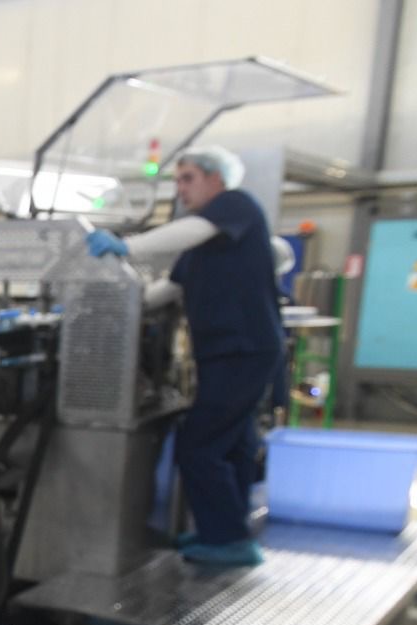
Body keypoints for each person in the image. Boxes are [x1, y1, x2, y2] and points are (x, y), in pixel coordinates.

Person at [88, 145, 283, 568]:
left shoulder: (235, 206)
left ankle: (229, 540)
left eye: (188, 178)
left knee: (199, 445)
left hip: (243, 349)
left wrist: (125, 246)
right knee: (234, 444)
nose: (180, 188)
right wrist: (113, 302)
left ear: (217, 178)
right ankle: (226, 531)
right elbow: (168, 290)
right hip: (226, 352)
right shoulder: (203, 246)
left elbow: (188, 231)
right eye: (177, 181)